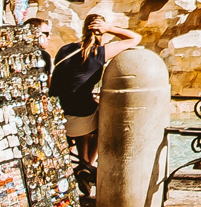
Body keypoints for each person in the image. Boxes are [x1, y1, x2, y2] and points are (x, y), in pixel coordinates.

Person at [48, 14, 140, 167]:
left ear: (84, 28)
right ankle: (87, 163)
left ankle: (83, 160)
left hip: (59, 110)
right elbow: (135, 38)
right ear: (101, 31)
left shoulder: (64, 50)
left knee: (90, 105)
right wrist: (110, 29)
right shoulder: (98, 53)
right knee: (107, 119)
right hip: (78, 113)